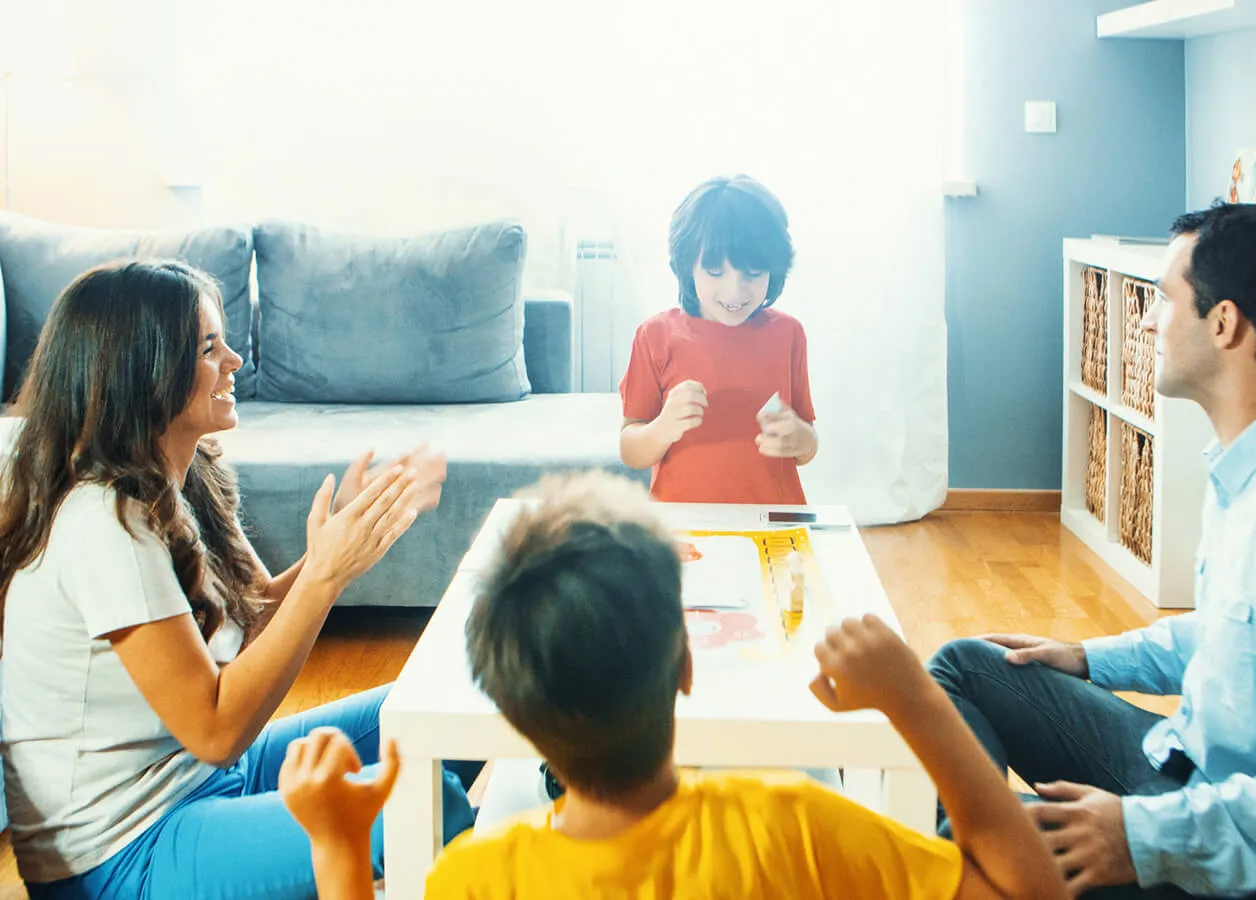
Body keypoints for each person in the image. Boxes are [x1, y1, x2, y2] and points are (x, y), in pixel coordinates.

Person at [278, 471, 1068, 900]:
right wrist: (915, 699)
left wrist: (340, 848)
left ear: (512, 712)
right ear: (688, 666)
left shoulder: (479, 878)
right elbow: (1026, 889)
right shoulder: (792, 828)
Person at [929, 203, 1256, 898]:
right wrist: (1089, 658)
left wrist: (1145, 839)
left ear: (1224, 323)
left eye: (1164, 300)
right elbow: (1231, 633)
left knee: (972, 855)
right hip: (1185, 768)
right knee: (969, 669)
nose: (1147, 321)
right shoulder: (1251, 467)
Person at [0, 260, 481, 899]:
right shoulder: (103, 521)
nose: (234, 359)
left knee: (455, 706)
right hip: (126, 852)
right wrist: (327, 576)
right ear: (144, 368)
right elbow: (217, 729)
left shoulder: (179, 475)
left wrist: (349, 530)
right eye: (208, 347)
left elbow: (254, 614)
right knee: (428, 803)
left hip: (200, 778)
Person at [619, 174, 818, 504]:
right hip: (685, 525)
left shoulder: (788, 334)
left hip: (772, 524)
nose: (734, 291)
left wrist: (800, 439)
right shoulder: (655, 336)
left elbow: (808, 446)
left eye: (752, 274)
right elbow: (630, 449)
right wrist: (664, 427)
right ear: (687, 267)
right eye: (715, 272)